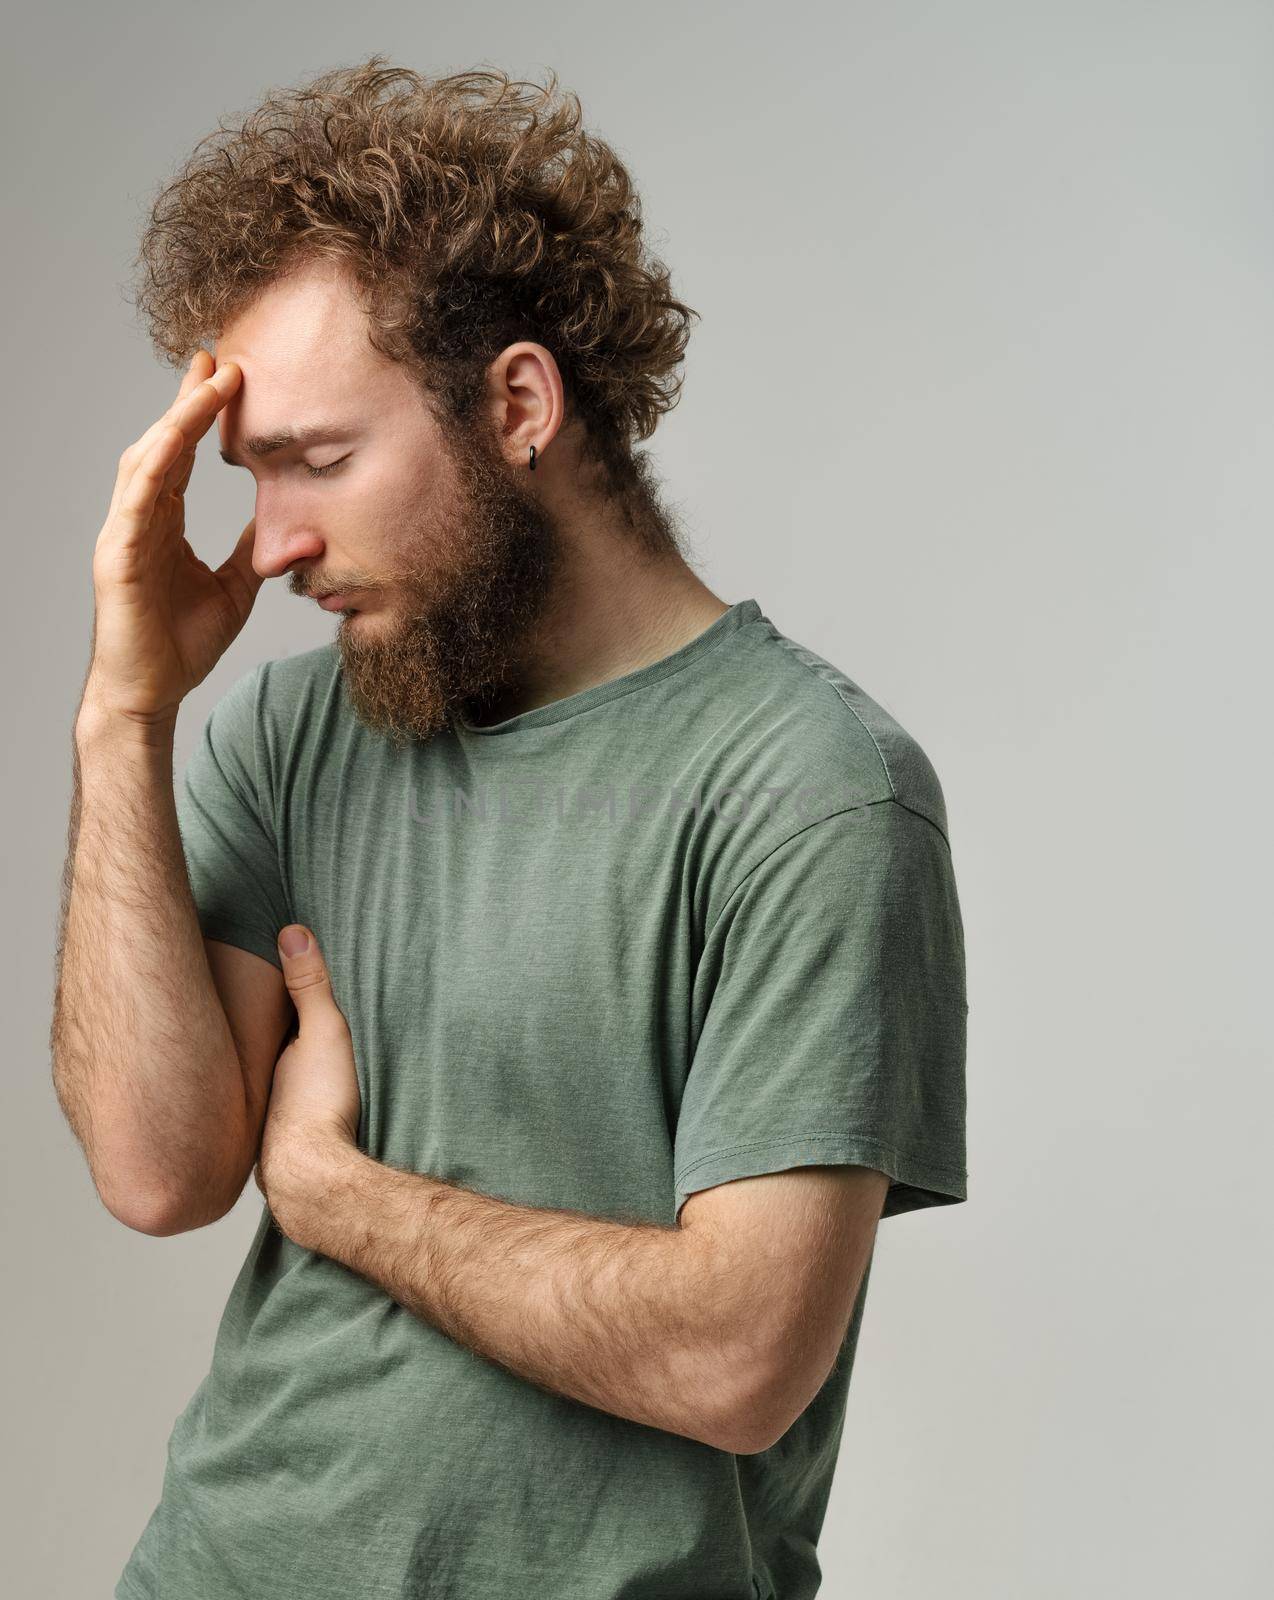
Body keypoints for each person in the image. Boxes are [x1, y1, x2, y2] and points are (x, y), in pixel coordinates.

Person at [51, 58, 969, 1600]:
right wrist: (121, 722)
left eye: (318, 462)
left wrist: (345, 1199)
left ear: (519, 405)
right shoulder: (288, 736)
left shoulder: (811, 790)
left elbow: (739, 1356)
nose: (270, 546)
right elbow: (156, 1173)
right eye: (251, 473)